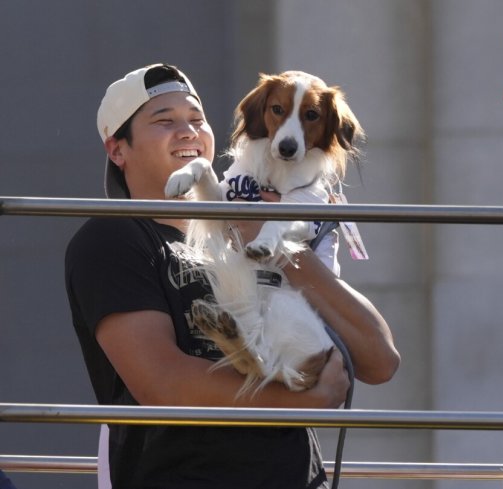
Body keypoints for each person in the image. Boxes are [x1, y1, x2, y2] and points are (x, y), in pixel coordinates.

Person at [65, 63, 400, 489]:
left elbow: (379, 360)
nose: (188, 132)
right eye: (164, 121)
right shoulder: (113, 236)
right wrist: (303, 402)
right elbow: (162, 383)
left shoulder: (257, 228)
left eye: (196, 119)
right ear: (117, 149)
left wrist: (280, 245)